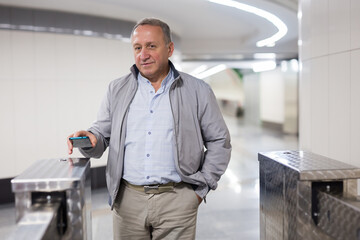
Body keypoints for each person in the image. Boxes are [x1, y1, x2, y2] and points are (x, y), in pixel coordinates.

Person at [67, 18, 231, 240]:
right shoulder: (117, 89)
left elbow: (219, 141)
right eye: (137, 47)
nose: (143, 55)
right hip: (127, 201)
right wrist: (89, 139)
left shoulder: (198, 91)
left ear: (169, 49)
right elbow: (101, 135)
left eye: (151, 46)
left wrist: (199, 192)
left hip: (178, 200)